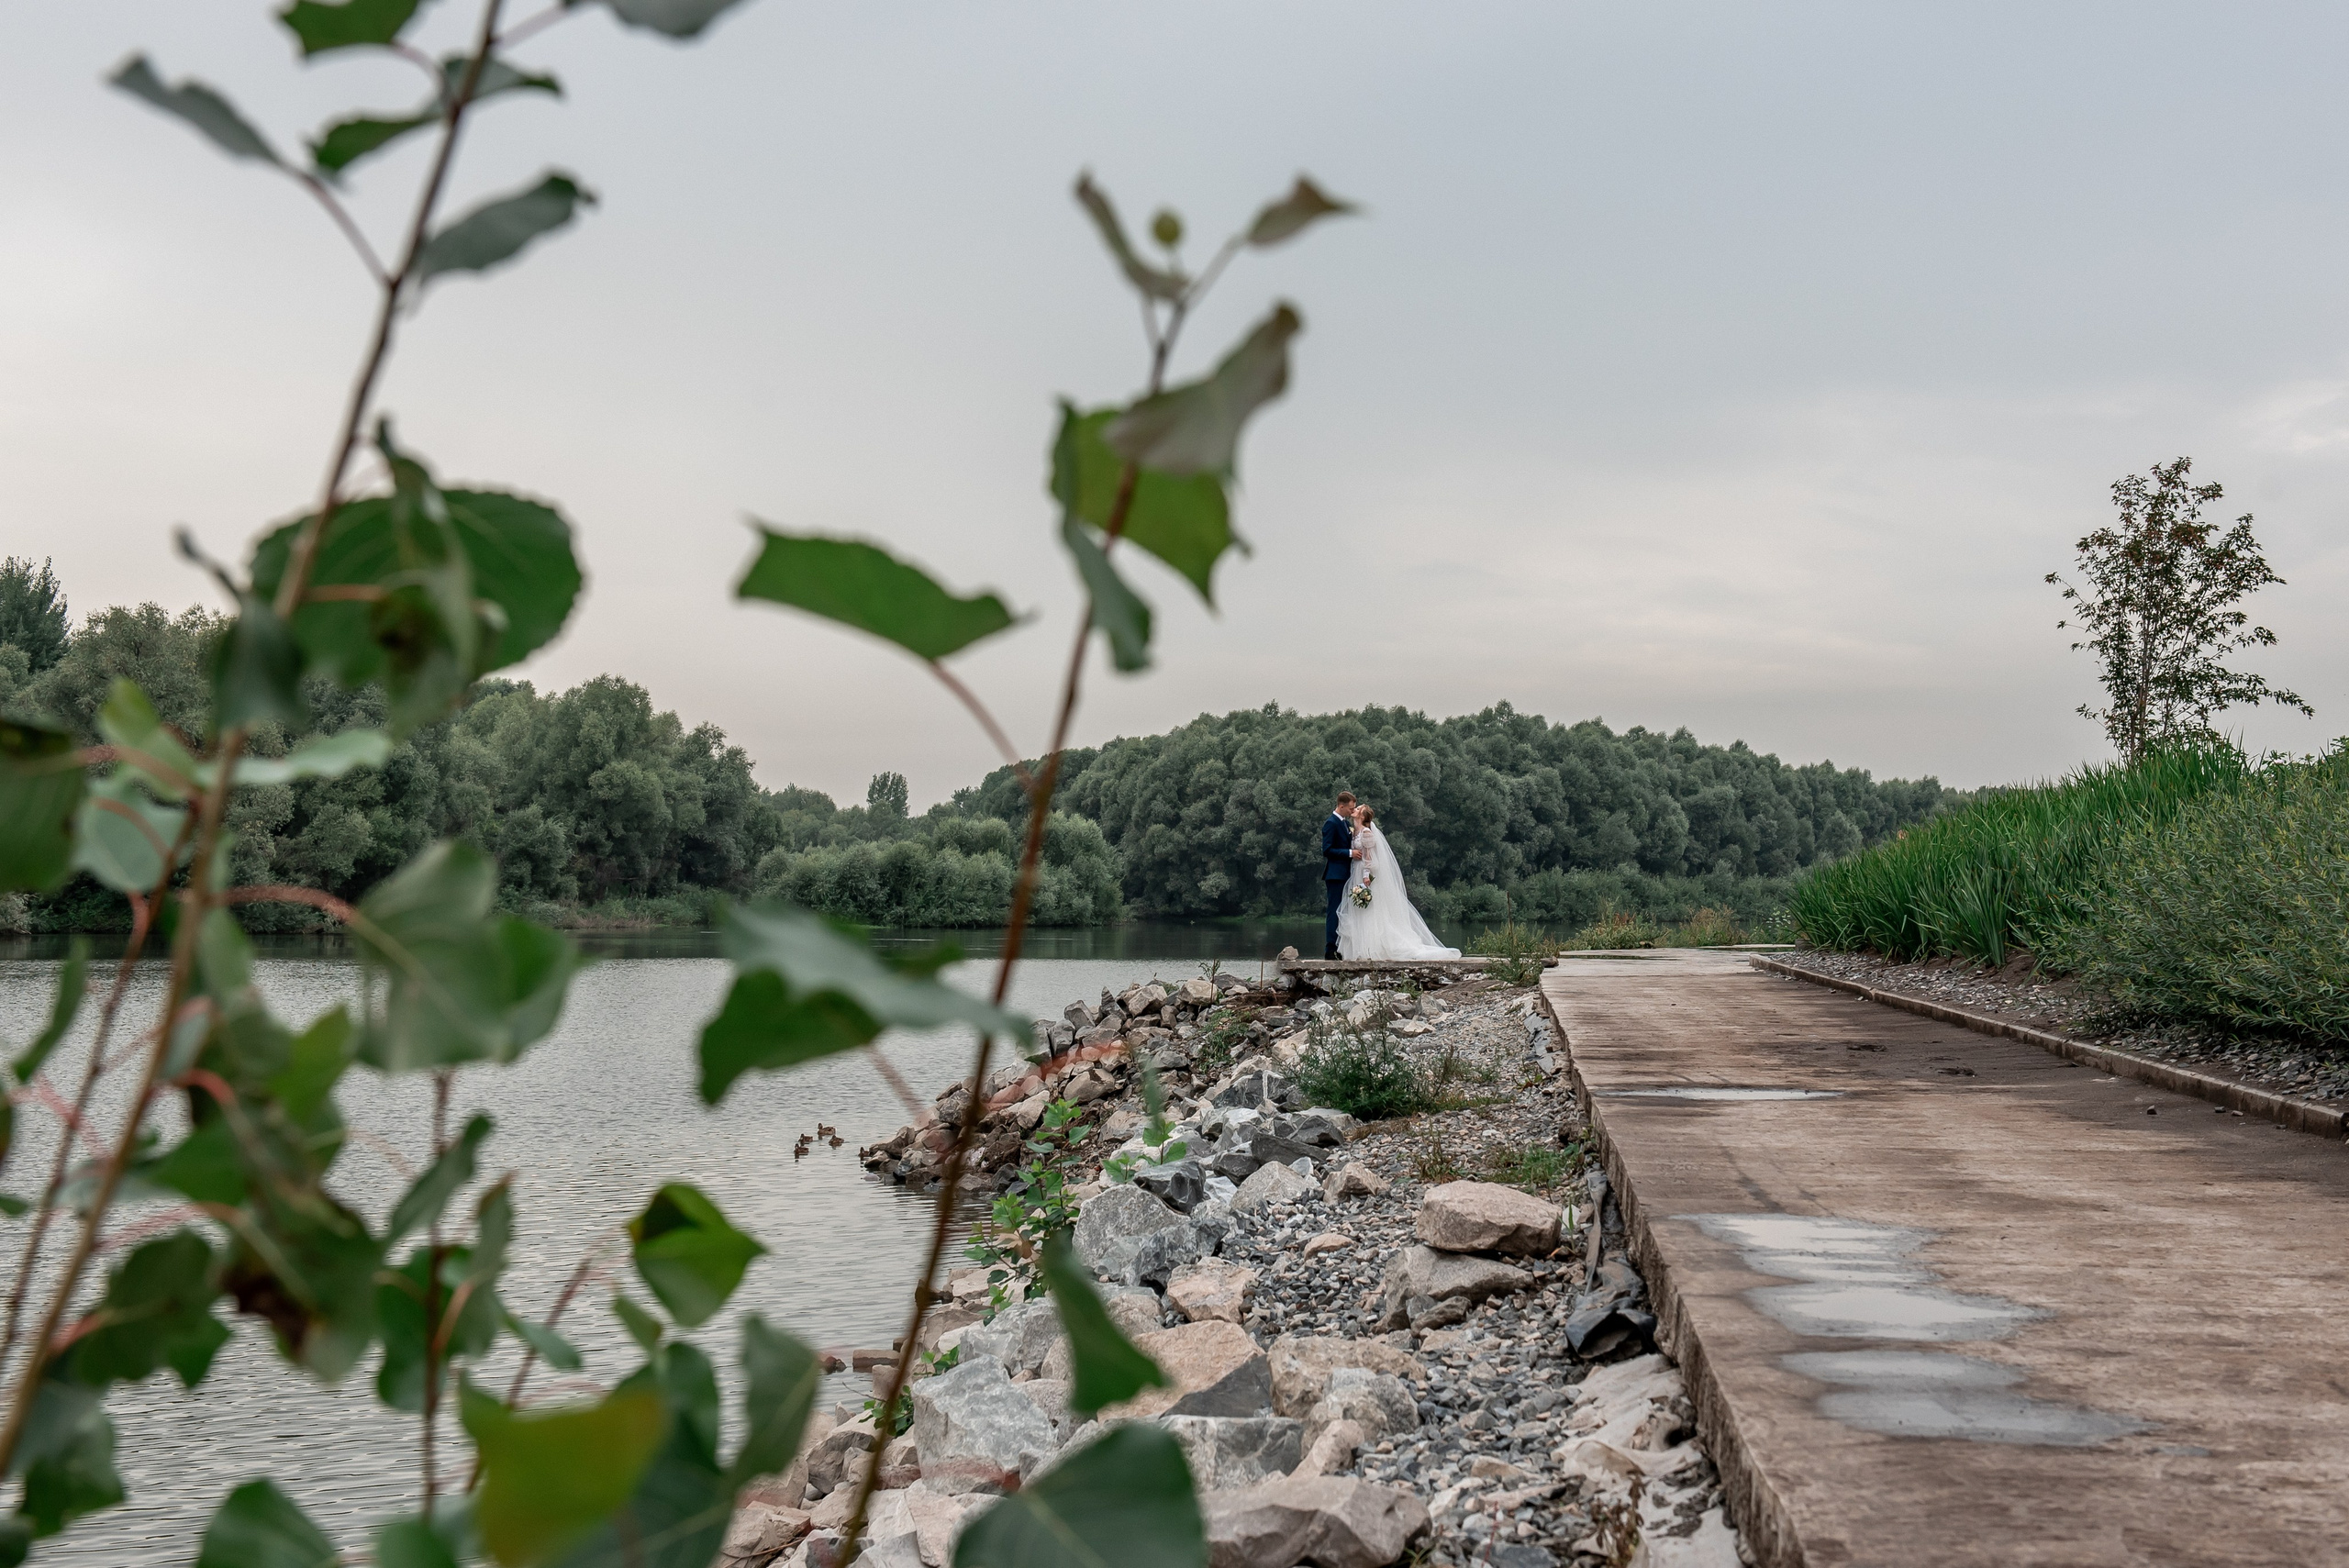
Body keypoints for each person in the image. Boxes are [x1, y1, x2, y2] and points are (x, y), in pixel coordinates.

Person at [1336, 803, 1461, 962]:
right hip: (1355, 871)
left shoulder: (1367, 832)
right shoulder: (1355, 831)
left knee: (1371, 909)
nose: (1354, 810)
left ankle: (1373, 948)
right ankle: (1362, 947)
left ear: (1362, 816)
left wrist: (1366, 875)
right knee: (1360, 910)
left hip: (1364, 872)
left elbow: (1369, 857)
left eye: (1358, 809)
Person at [1320, 791, 1360, 959]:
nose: (1352, 811)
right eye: (1350, 809)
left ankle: (1340, 946)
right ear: (1341, 806)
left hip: (1345, 874)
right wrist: (1350, 853)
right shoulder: (1331, 823)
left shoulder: (1343, 823)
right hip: (1335, 875)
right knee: (1335, 911)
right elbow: (1327, 850)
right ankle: (1330, 948)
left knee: (1343, 912)